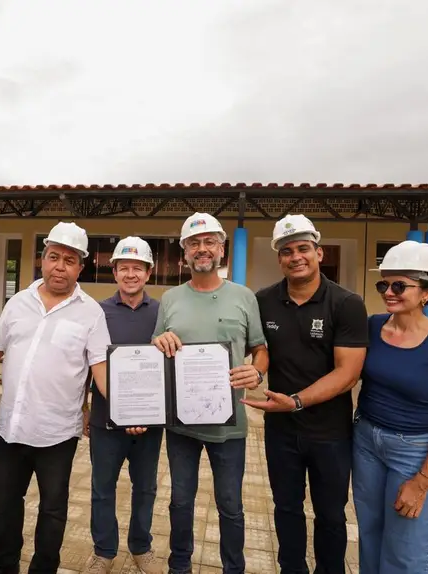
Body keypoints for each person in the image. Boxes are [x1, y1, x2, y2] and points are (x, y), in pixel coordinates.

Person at [241, 214, 368, 574]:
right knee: (286, 509)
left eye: (303, 249)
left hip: (330, 433)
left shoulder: (346, 303)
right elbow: (259, 349)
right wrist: (256, 370)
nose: (295, 257)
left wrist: (295, 402)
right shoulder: (263, 301)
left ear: (319, 252)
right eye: (287, 251)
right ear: (279, 258)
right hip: (281, 431)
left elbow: (348, 374)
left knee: (330, 514)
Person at [0, 221, 112, 574]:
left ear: (80, 267)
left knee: (53, 510)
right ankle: (4, 565)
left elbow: (101, 368)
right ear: (42, 259)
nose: (60, 266)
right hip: (9, 427)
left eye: (69, 260)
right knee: (3, 503)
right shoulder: (18, 303)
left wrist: (130, 410)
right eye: (54, 257)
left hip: (57, 433)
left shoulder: (91, 312)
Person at [151, 212, 269, 574]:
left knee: (230, 505)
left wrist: (257, 371)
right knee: (180, 501)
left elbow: (260, 348)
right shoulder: (170, 298)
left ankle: (234, 568)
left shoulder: (244, 297)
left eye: (209, 242)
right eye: (194, 243)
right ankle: (179, 566)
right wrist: (159, 342)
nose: (202, 249)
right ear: (184, 252)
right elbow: (156, 347)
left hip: (228, 425)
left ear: (221, 249)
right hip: (181, 425)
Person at [349, 240, 428, 573]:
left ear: (427, 293)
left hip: (413, 450)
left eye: (400, 286)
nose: (389, 292)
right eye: (384, 285)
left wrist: (422, 481)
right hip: (366, 441)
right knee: (370, 534)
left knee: (406, 548)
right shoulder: (372, 326)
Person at [84, 237, 162, 574]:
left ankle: (141, 547)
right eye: (124, 268)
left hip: (150, 422)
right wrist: (85, 408)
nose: (131, 274)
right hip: (105, 420)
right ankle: (104, 551)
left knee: (145, 488)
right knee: (103, 488)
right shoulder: (96, 312)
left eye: (138, 268)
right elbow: (87, 363)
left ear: (148, 273)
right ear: (114, 272)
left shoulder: (162, 313)